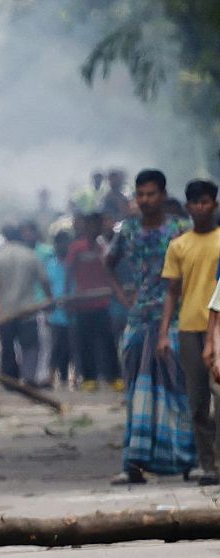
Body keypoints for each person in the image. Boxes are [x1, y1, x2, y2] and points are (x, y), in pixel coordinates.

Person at [106, 169, 191, 484]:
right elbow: (109, 263)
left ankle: (186, 460)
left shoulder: (180, 229)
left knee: (177, 389)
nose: (145, 200)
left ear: (164, 196)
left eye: (151, 194)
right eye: (140, 194)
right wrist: (123, 296)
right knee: (137, 392)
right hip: (140, 318)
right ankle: (134, 462)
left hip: (178, 317)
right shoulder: (127, 230)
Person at [163, 180, 220, 484]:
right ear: (187, 208)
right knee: (197, 401)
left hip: (219, 329)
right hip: (188, 328)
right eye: (195, 203)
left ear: (215, 205)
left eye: (206, 202)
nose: (200, 207)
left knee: (219, 395)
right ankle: (208, 464)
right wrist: (163, 332)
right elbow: (172, 291)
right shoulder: (179, 245)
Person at [0, 224, 52, 385]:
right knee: (30, 346)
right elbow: (44, 280)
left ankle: (9, 380)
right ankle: (29, 377)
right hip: (27, 311)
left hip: (5, 311)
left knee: (7, 346)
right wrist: (50, 299)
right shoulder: (31, 255)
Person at [66, 213, 121, 391]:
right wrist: (68, 297)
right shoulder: (76, 248)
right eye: (89, 225)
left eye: (96, 225)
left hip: (102, 303)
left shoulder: (103, 246)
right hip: (82, 304)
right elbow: (69, 273)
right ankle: (89, 378)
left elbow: (110, 270)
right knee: (85, 343)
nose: (92, 229)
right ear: (84, 227)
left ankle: (115, 377)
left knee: (108, 342)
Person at [42, 230, 76, 388]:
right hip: (55, 313)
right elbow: (45, 286)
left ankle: (73, 376)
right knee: (56, 346)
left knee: (72, 346)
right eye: (59, 243)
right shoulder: (50, 263)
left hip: (73, 311)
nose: (61, 246)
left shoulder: (73, 264)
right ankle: (51, 376)